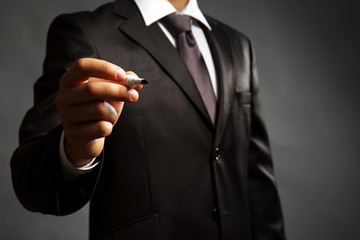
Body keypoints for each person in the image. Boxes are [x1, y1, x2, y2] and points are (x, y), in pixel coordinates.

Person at [11, 0, 286, 239]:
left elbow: (258, 182)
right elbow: (30, 183)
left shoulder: (237, 45)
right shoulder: (85, 32)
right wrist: (72, 150)